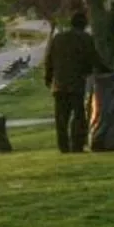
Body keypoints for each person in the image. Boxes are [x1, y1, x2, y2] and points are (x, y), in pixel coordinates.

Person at [41, 12, 101, 154]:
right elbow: (94, 59)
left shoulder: (58, 38)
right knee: (79, 116)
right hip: (77, 84)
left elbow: (49, 60)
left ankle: (63, 147)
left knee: (61, 118)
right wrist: (106, 70)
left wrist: (48, 78)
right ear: (84, 24)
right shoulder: (85, 38)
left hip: (59, 84)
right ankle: (77, 145)